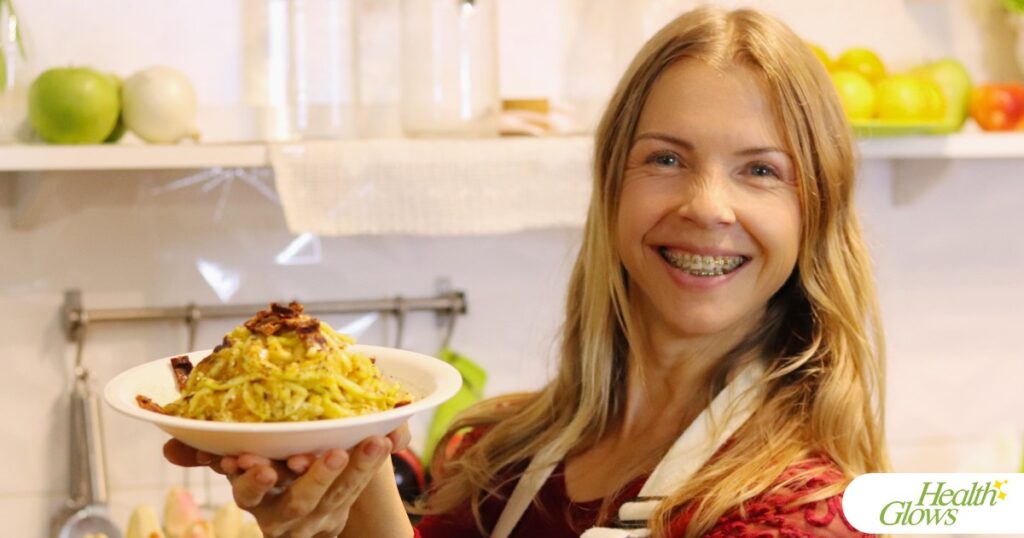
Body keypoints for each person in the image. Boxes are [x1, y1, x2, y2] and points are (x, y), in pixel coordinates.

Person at [165, 6, 888, 537]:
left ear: (814, 215)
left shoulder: (797, 513)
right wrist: (332, 501)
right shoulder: (497, 455)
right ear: (611, 188)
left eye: (761, 171)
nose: (706, 205)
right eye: (667, 158)